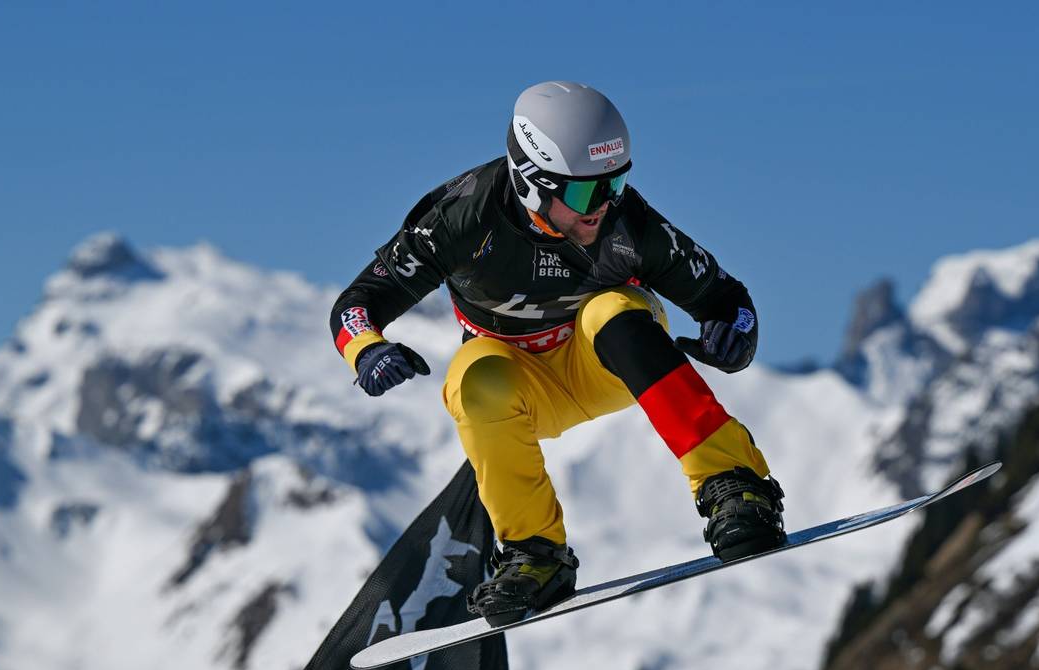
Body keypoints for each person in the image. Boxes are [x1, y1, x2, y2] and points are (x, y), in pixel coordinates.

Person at [330, 81, 786, 626]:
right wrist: (366, 350)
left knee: (612, 310)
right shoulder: (461, 217)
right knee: (473, 377)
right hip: (521, 388)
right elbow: (357, 303)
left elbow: (729, 300)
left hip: (605, 365)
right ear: (530, 184)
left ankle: (735, 485)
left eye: (615, 184)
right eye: (580, 194)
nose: (601, 208)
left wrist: (734, 339)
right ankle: (534, 553)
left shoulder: (627, 222)